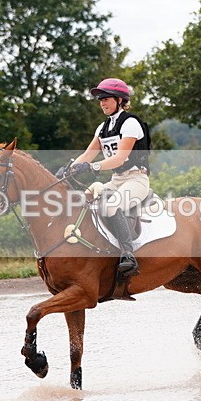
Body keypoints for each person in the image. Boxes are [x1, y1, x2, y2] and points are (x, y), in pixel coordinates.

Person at [64, 78, 151, 276]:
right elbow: (87, 155)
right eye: (100, 99)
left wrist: (92, 166)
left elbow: (120, 158)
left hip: (136, 180)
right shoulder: (103, 128)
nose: (102, 102)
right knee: (84, 199)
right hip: (116, 181)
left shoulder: (130, 123)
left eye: (106, 98)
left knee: (111, 206)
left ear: (120, 100)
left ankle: (128, 255)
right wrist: (69, 169)